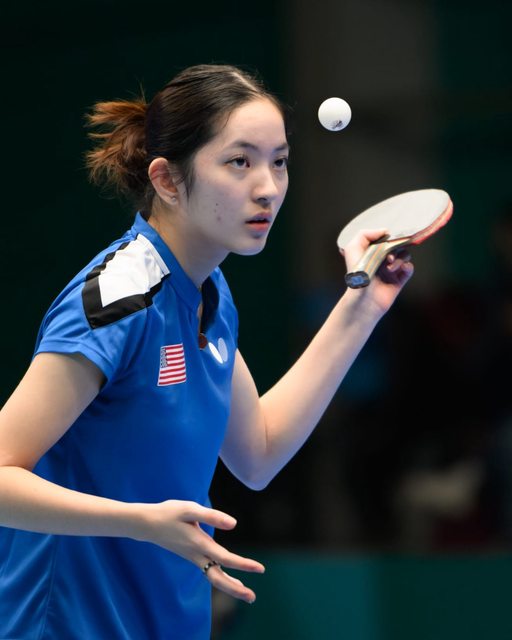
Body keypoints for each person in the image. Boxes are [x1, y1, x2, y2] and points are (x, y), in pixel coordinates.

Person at [0, 63, 413, 639]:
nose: (267, 187)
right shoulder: (120, 300)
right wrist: (141, 522)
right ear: (168, 180)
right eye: (239, 161)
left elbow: (258, 452)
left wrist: (362, 306)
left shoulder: (208, 292)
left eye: (279, 161)